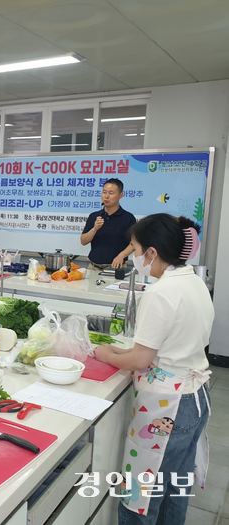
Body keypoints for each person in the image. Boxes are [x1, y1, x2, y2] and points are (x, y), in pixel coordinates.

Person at [94, 214, 213, 523]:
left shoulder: (161, 293)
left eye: (134, 249)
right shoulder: (193, 281)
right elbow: (164, 347)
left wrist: (106, 354)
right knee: (175, 488)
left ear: (151, 253)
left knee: (140, 494)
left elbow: (141, 361)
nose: (133, 257)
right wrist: (124, 351)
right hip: (196, 396)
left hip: (169, 407)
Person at [80, 178, 136, 270]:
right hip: (93, 267)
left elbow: (134, 243)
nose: (106, 196)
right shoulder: (94, 216)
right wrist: (95, 229)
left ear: (120, 195)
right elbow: (83, 241)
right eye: (104, 192)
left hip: (116, 267)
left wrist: (121, 255)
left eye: (111, 193)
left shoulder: (128, 218)